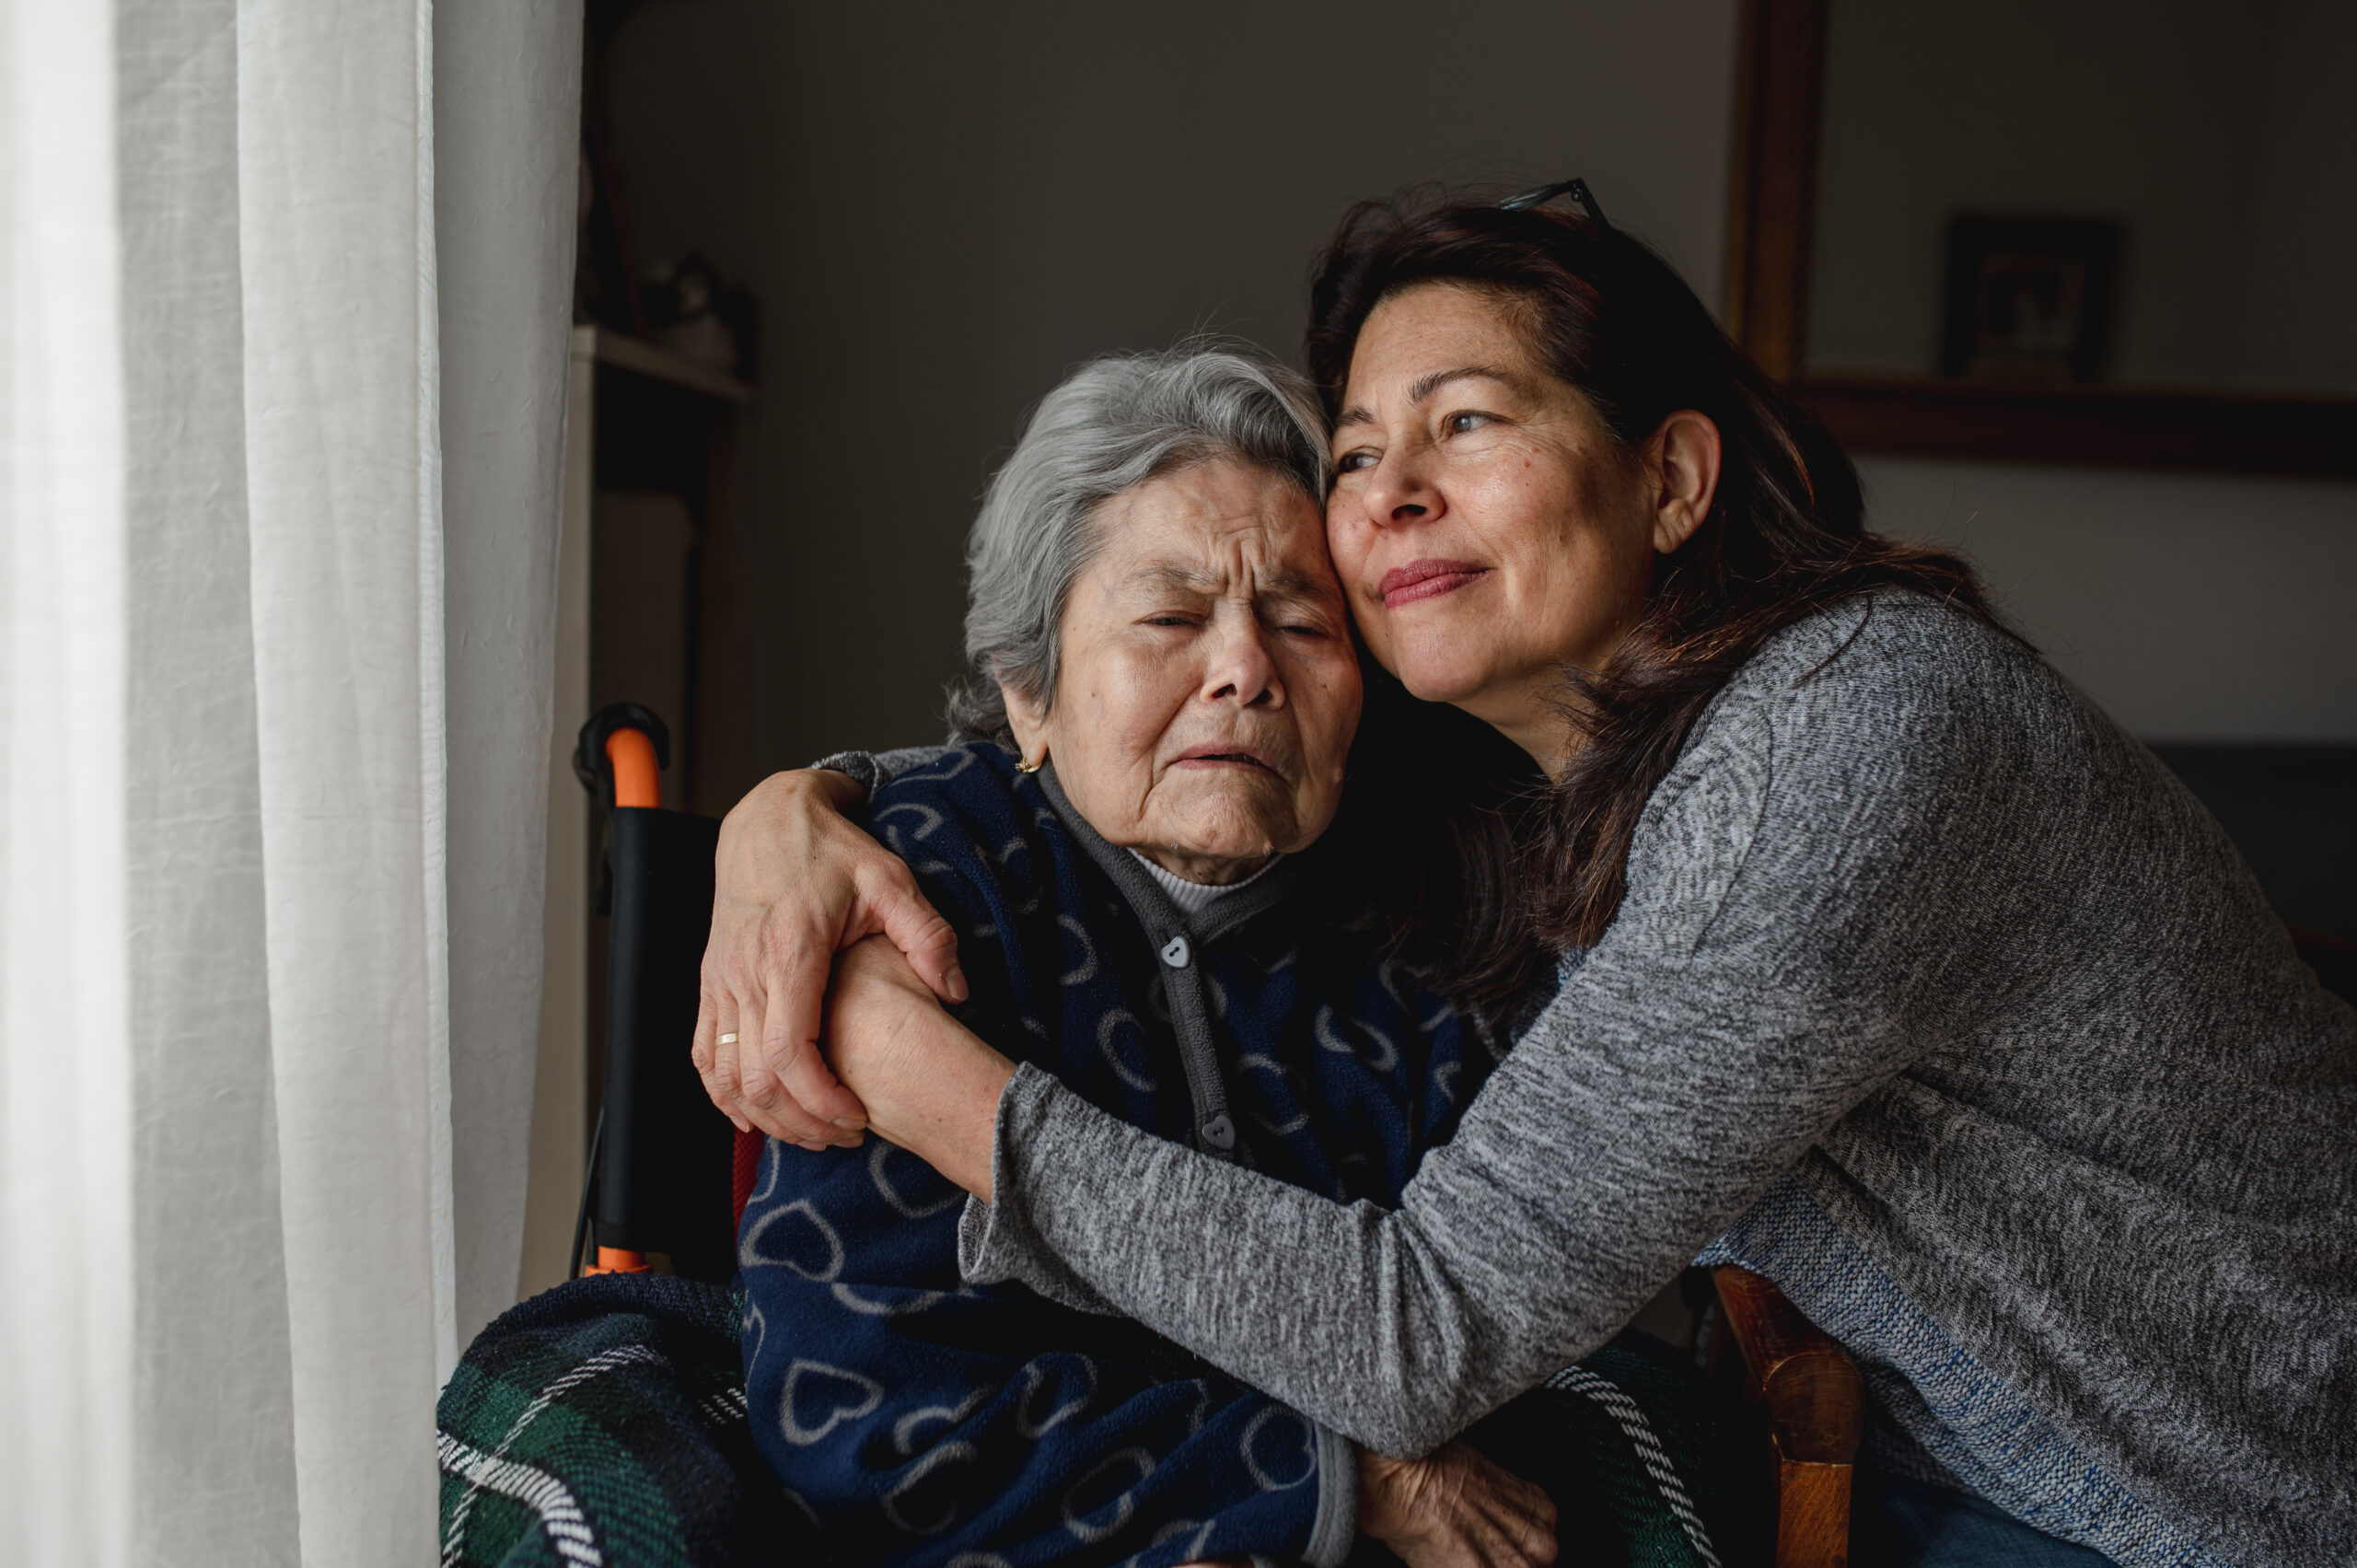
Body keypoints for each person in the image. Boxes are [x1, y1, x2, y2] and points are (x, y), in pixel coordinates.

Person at [701, 190, 2357, 1568]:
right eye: (1357, 451)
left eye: (1469, 421)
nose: (1394, 491)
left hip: (2214, 1486)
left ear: (1673, 480)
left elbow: (1417, 1329)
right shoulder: (1545, 778)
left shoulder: (1837, 749)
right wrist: (790, 808)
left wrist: (917, 1071)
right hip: (1970, 1446)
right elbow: (1097, 744)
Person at [737, 343, 1600, 1568]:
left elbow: (1491, 1355)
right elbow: (877, 1429)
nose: (1245, 669)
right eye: (1170, 618)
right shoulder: (915, 891)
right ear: (1028, 695)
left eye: (1303, 621)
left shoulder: (1442, 923)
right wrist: (1341, 1479)